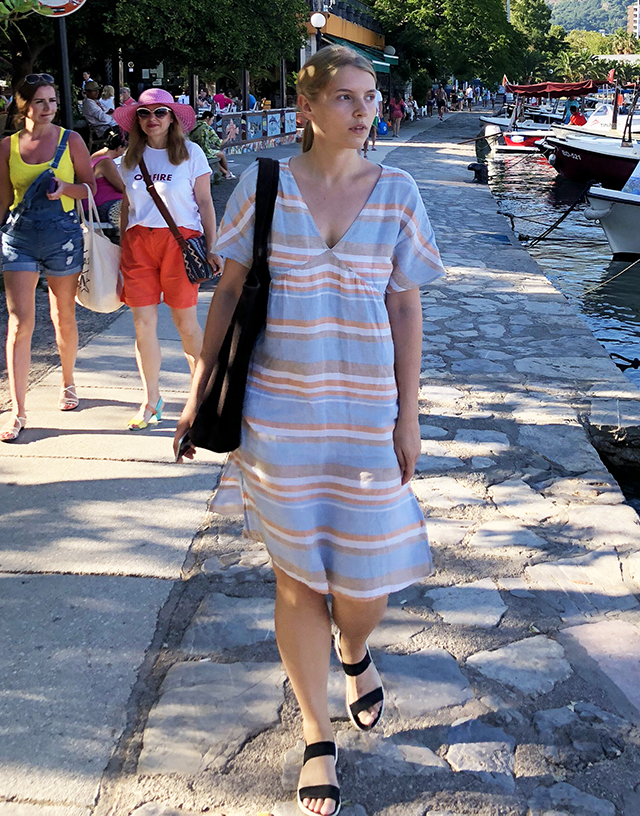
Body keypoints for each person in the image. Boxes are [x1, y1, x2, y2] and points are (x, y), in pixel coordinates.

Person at [174, 46, 444, 816]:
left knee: (361, 586)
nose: (362, 112)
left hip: (365, 415)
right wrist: (199, 393)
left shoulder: (397, 191)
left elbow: (404, 305)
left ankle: (354, 651)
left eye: (369, 99)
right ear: (307, 108)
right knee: (297, 578)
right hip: (275, 413)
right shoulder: (262, 184)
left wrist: (408, 413)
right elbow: (226, 294)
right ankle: (315, 735)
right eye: (345, 98)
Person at [0, 74, 94, 440]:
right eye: (41, 101)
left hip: (62, 235)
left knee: (63, 315)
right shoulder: (7, 147)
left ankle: (68, 381)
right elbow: (0, 197)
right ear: (23, 105)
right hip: (20, 237)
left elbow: (89, 189)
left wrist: (65, 188)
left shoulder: (70, 140)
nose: (49, 108)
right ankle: (18, 410)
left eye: (53, 100)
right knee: (19, 322)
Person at [114, 90, 221, 430]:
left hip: (180, 243)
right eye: (144, 114)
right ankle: (150, 400)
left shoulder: (191, 153)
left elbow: (205, 202)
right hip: (138, 243)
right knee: (142, 324)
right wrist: (121, 249)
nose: (152, 119)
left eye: (160, 112)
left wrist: (212, 246)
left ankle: (200, 392)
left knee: (185, 324)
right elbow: (127, 208)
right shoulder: (129, 158)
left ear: (172, 118)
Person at [190, 110, 237, 181]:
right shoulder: (207, 128)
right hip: (204, 151)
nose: (212, 122)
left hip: (193, 150)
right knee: (221, 154)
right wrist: (228, 137)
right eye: (211, 120)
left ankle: (226, 172)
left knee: (215, 156)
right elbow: (219, 143)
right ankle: (227, 172)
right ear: (207, 118)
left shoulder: (195, 125)